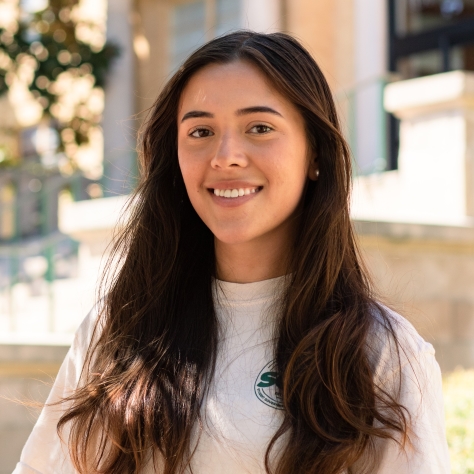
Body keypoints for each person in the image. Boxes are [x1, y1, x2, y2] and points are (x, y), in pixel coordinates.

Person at [13, 31, 450, 474]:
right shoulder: (117, 328)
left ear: (315, 152)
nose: (225, 157)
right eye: (200, 131)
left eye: (259, 127)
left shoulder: (381, 354)